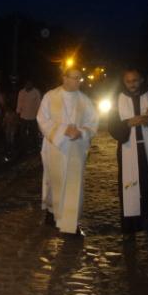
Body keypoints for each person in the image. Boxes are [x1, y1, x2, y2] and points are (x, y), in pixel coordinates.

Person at [37, 67, 98, 235]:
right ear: (64, 78)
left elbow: (93, 122)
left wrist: (81, 132)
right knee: (54, 181)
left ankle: (70, 224)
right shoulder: (50, 96)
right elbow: (42, 119)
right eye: (75, 78)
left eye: (80, 78)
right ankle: (51, 213)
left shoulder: (85, 100)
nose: (78, 81)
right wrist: (63, 130)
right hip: (55, 147)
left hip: (75, 148)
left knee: (73, 185)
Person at [109, 68, 148, 236]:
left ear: (141, 80)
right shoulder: (117, 98)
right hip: (128, 149)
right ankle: (131, 224)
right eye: (128, 81)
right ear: (124, 82)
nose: (132, 85)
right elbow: (111, 124)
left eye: (135, 80)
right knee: (130, 187)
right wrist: (128, 123)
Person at [16, 80, 42, 152]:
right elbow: (19, 103)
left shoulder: (36, 92)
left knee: (34, 132)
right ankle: (24, 147)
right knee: (22, 133)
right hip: (23, 116)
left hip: (33, 117)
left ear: (32, 84)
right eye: (27, 83)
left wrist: (39, 114)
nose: (28, 84)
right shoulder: (21, 92)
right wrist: (18, 113)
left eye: (30, 83)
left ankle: (35, 147)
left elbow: (39, 104)